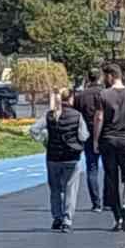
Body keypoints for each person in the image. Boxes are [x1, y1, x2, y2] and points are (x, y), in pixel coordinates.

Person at [29, 88, 88, 232]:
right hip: (71, 158)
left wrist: (45, 140)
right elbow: (84, 135)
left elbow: (33, 129)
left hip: (53, 157)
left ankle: (57, 217)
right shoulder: (77, 115)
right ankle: (67, 220)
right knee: (70, 189)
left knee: (55, 189)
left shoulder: (50, 115)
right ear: (71, 99)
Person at [93, 63, 125, 231]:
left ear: (110, 76)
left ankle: (118, 218)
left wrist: (95, 140)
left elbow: (99, 118)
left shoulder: (103, 95)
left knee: (111, 178)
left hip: (108, 139)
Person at [71, 71, 105, 213]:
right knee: (111, 168)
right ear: (100, 78)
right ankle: (110, 200)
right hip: (105, 132)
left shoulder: (80, 96)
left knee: (92, 168)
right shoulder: (105, 93)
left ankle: (96, 202)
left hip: (87, 133)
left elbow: (75, 116)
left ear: (88, 79)